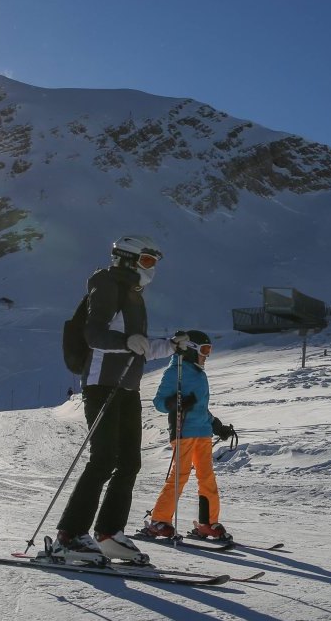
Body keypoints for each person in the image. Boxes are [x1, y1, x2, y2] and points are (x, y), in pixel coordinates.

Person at [52, 234, 189, 564]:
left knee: (130, 462)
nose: (151, 269)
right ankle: (68, 537)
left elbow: (137, 347)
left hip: (127, 387)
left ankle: (109, 534)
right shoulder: (107, 282)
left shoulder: (133, 294)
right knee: (103, 460)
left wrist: (170, 345)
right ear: (127, 259)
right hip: (103, 384)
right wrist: (130, 342)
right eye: (146, 261)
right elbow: (94, 334)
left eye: (153, 262)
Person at [139, 331, 238, 543]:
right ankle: (160, 520)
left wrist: (217, 426)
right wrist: (176, 403)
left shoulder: (199, 374)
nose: (207, 356)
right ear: (191, 349)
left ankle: (208, 523)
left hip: (202, 432)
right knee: (180, 476)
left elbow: (202, 408)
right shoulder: (176, 372)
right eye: (204, 350)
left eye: (209, 350)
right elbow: (158, 402)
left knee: (207, 478)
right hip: (183, 431)